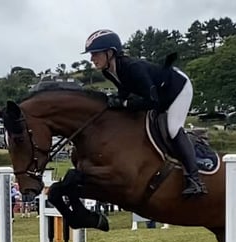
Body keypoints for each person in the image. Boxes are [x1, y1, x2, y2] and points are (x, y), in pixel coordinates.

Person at [82, 29, 206, 197]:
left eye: (95, 54)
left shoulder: (133, 68)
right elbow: (125, 90)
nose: (92, 59)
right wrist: (118, 100)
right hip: (159, 94)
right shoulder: (108, 71)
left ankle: (195, 179)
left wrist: (125, 103)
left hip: (177, 88)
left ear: (110, 52)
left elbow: (151, 101)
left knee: (173, 128)